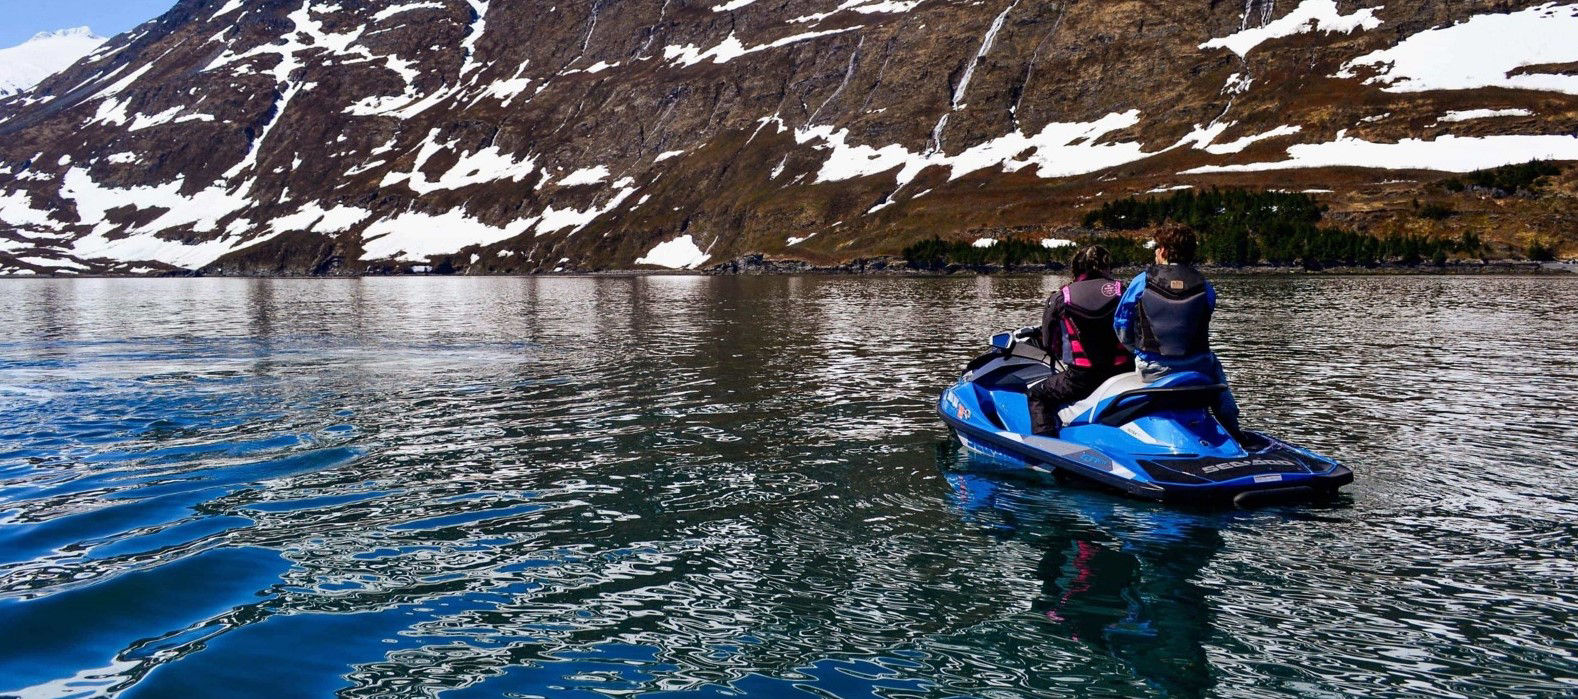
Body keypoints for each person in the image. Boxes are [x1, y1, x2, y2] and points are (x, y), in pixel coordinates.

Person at [1112, 223, 1244, 440]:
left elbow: (1121, 324)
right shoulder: (1205, 285)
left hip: (1153, 368)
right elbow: (1205, 314)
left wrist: (1136, 350)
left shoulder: (1141, 281)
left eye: (1158, 247)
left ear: (1163, 251)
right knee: (1215, 366)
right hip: (1198, 368)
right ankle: (1233, 428)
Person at [1028, 245, 1134, 435]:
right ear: (1106, 266)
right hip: (1123, 371)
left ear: (1076, 268)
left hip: (1082, 378)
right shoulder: (1124, 291)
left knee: (1037, 395)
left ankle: (1045, 445)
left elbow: (1049, 343)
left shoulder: (1061, 297)